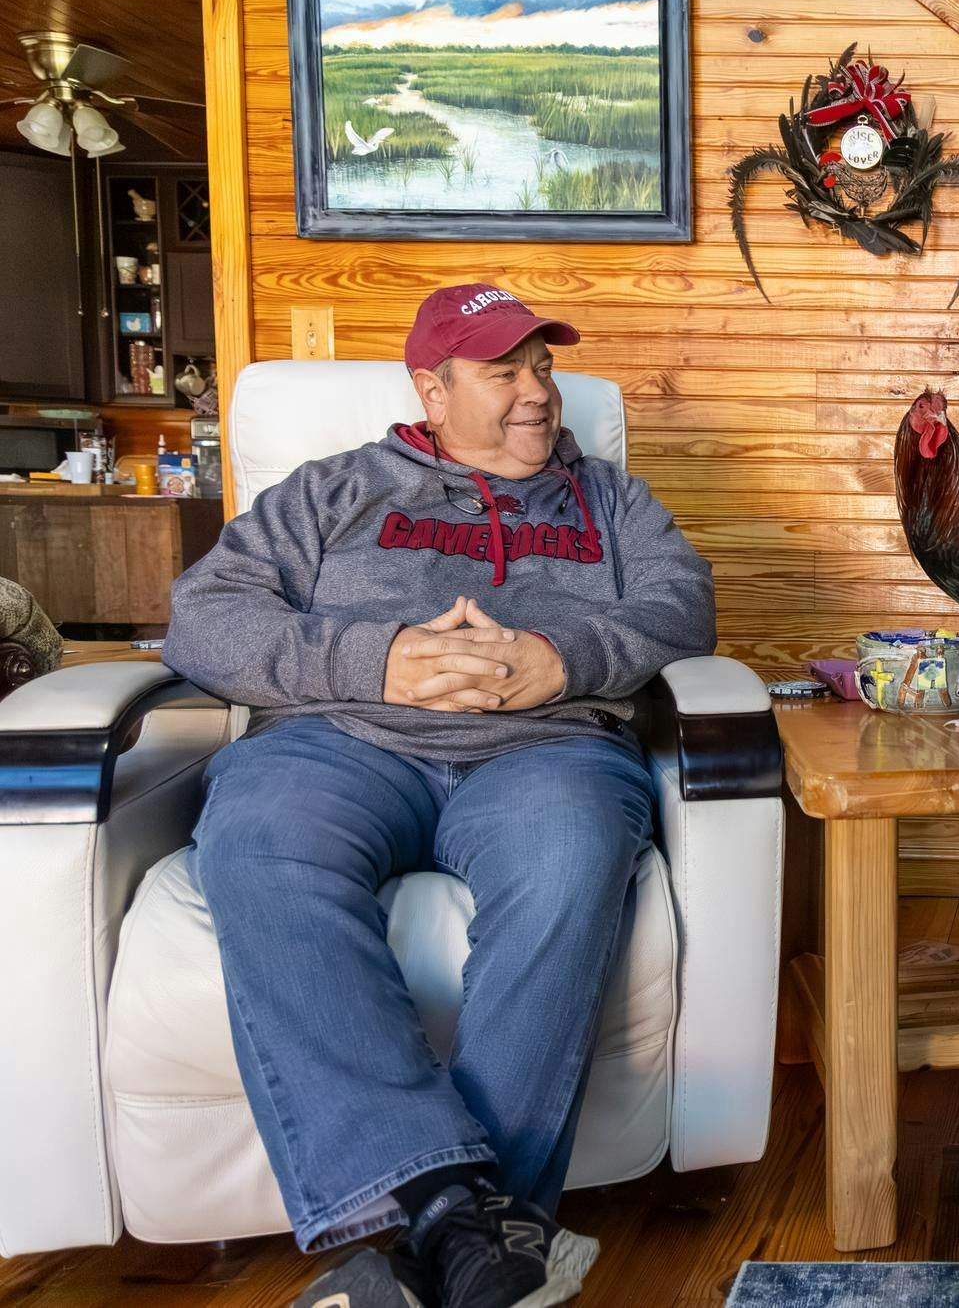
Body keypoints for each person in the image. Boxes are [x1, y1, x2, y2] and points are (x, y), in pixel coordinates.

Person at [162, 284, 716, 1308]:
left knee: (569, 853)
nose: (537, 394)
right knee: (256, 840)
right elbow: (203, 618)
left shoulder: (612, 502)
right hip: (339, 741)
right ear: (432, 388)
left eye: (542, 368)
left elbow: (683, 605)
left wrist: (565, 655)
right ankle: (464, 1215)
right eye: (503, 371)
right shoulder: (333, 491)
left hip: (544, 748)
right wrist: (379, 661)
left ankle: (423, 1243)